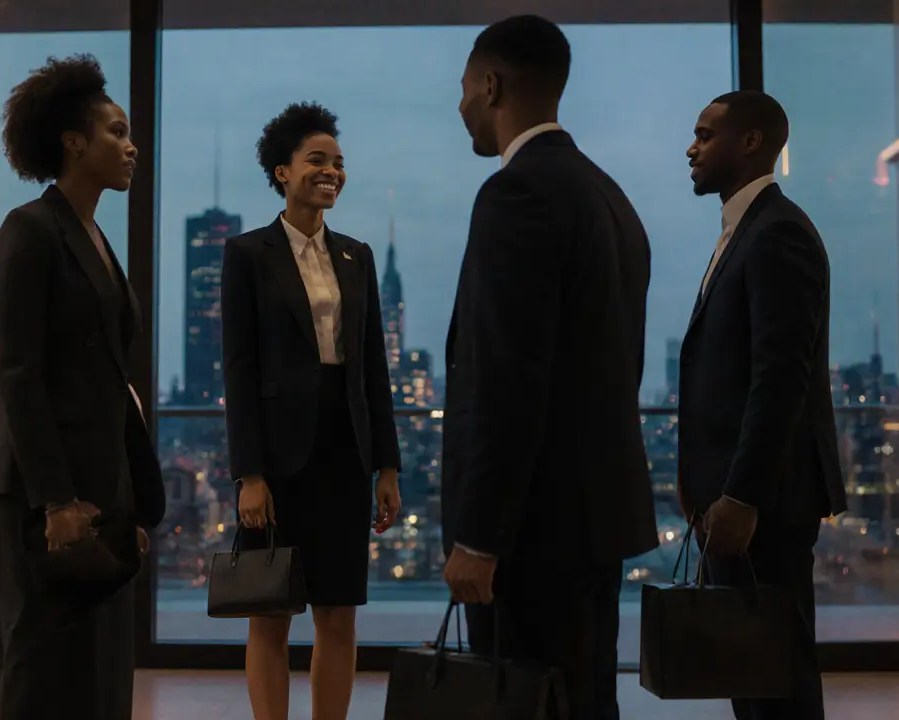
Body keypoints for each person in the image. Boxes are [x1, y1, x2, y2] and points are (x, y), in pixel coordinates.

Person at [441, 15, 658, 719]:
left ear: (491, 83)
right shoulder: (610, 198)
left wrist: (479, 536)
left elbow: (508, 380)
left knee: (526, 701)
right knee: (585, 698)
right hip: (594, 520)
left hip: (531, 535)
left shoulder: (518, 195)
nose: (463, 105)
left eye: (466, 88)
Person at [0, 54, 166, 720]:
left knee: (101, 671)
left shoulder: (95, 236)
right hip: (37, 495)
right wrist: (57, 499)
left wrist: (127, 501)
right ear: (73, 142)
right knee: (41, 672)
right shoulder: (29, 229)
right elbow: (19, 373)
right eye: (115, 131)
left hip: (98, 489)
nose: (130, 145)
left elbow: (111, 383)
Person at [221, 101, 403, 720]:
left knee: (338, 612)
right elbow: (239, 371)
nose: (331, 172)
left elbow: (373, 369)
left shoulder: (357, 256)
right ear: (282, 172)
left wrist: (388, 466)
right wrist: (249, 473)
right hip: (275, 457)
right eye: (316, 161)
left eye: (338, 163)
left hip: (345, 451)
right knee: (270, 615)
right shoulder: (247, 254)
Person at [679, 90, 848, 720]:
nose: (690, 149)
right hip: (740, 494)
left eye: (705, 135)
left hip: (765, 500)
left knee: (775, 675)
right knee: (752, 669)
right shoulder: (747, 230)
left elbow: (781, 378)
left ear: (750, 143)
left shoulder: (777, 234)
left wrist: (742, 495)